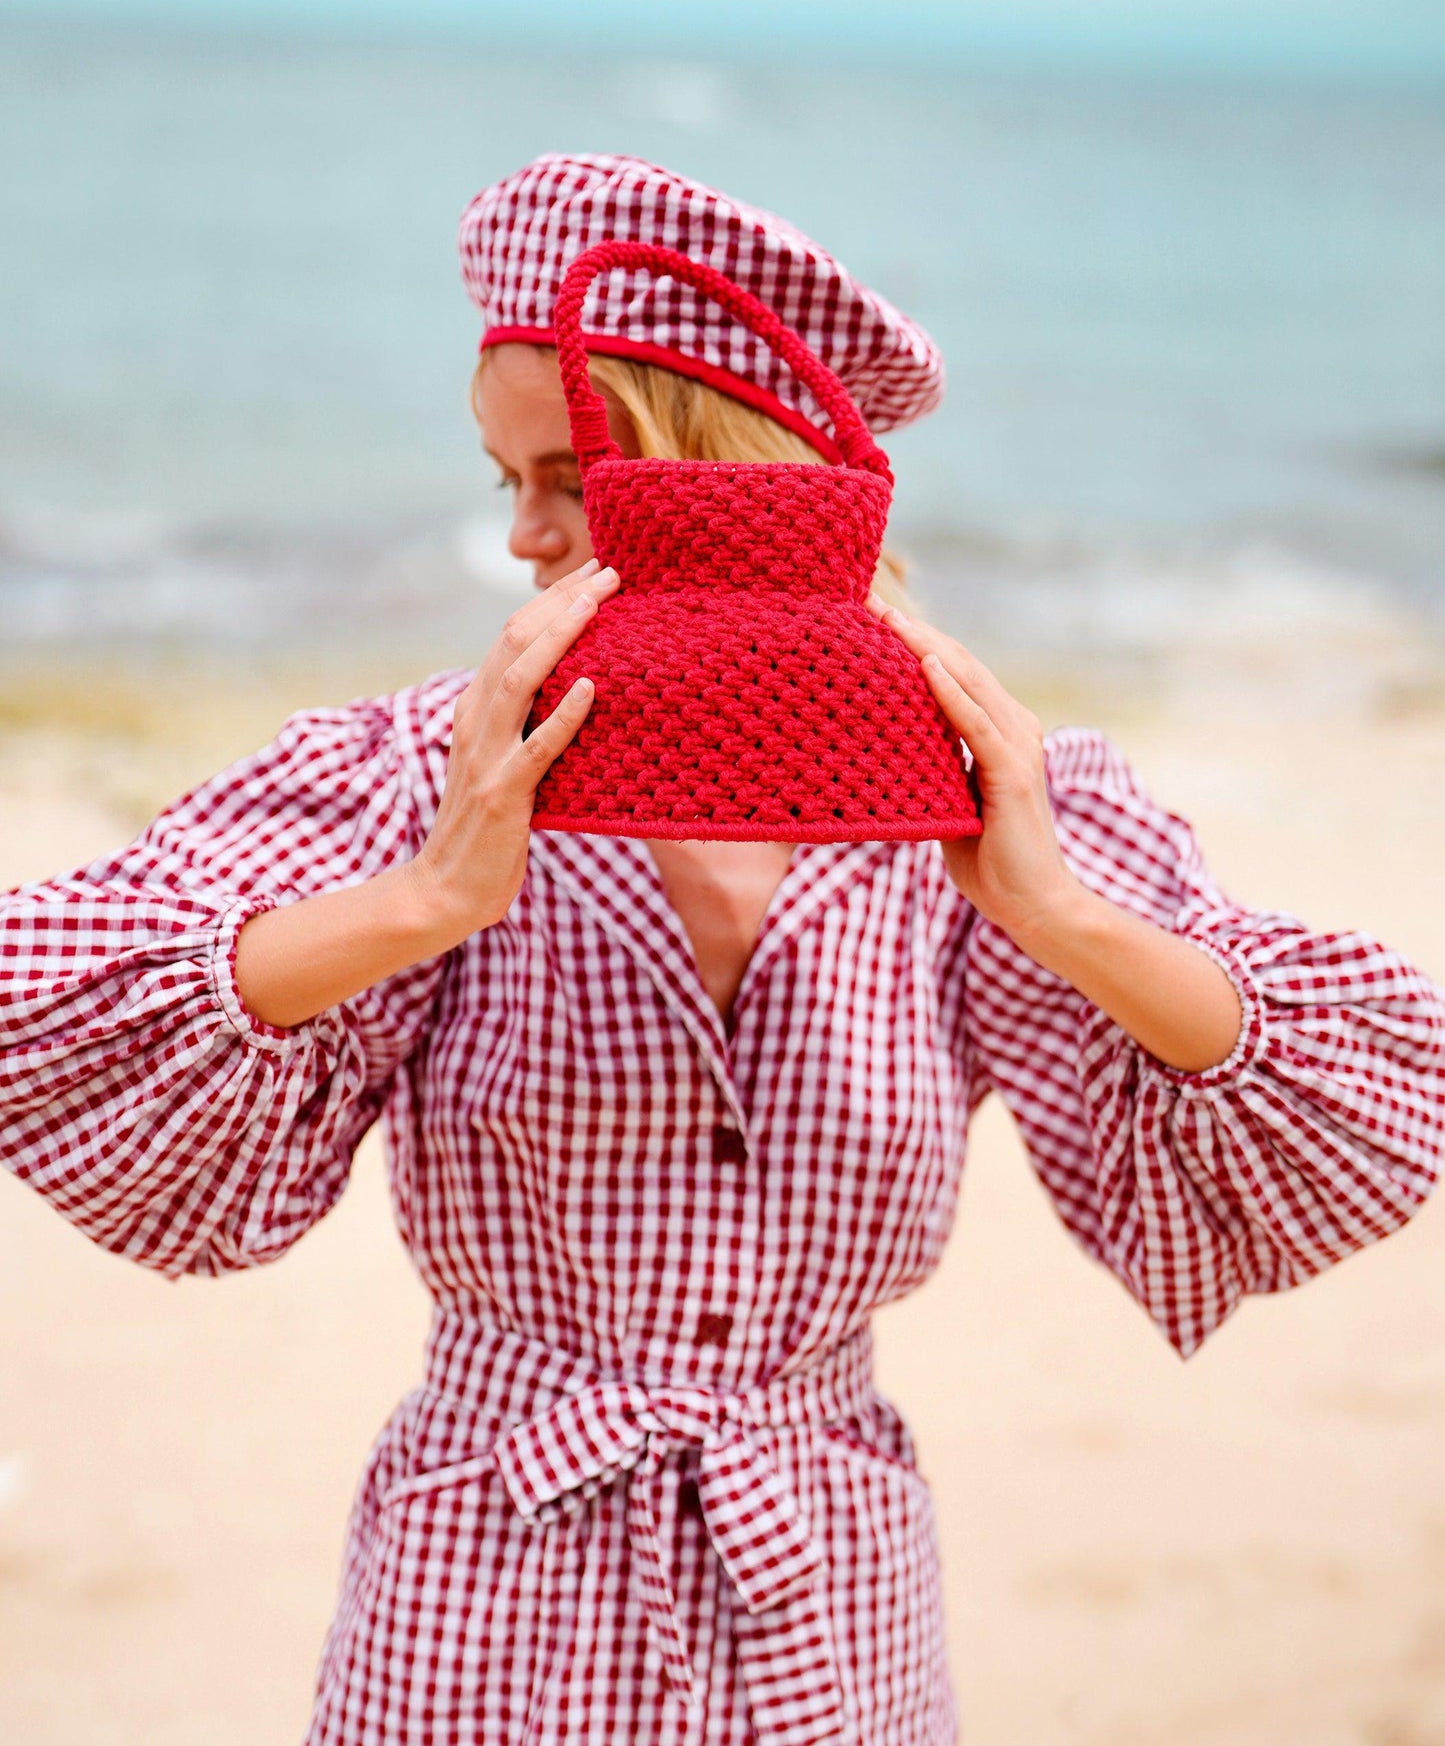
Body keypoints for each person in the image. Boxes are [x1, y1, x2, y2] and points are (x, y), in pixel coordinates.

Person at [2, 151, 1441, 1746]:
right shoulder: (435, 771)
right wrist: (427, 897)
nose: (521, 541)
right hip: (481, 1600)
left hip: (831, 1604)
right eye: (506, 485)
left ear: (719, 479)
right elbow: (56, 1006)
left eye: (565, 479)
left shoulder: (972, 797)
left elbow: (1355, 1118)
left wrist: (1057, 914)